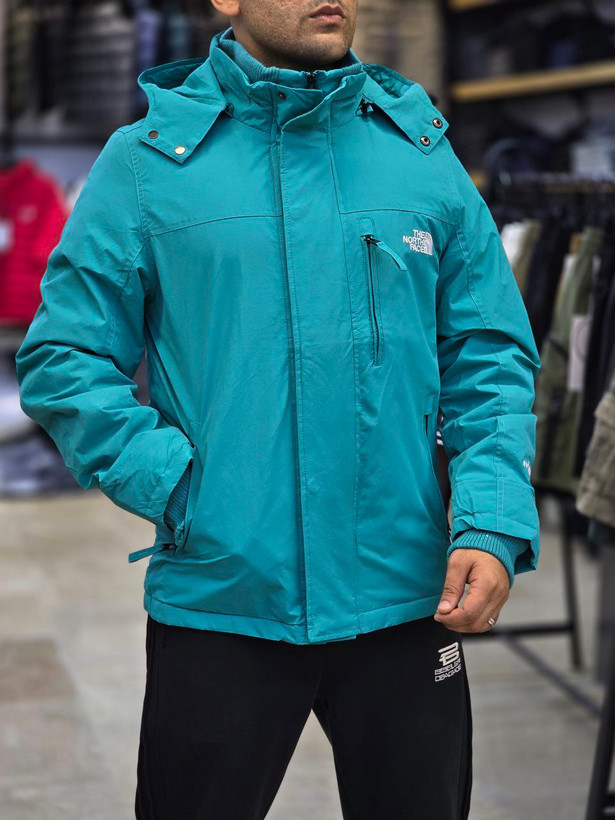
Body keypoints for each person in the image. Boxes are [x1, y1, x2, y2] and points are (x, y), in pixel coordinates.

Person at [15, 1, 542, 817]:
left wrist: (491, 520)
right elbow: (66, 358)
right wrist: (184, 488)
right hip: (225, 593)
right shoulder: (147, 163)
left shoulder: (419, 153)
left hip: (405, 591)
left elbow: (488, 355)